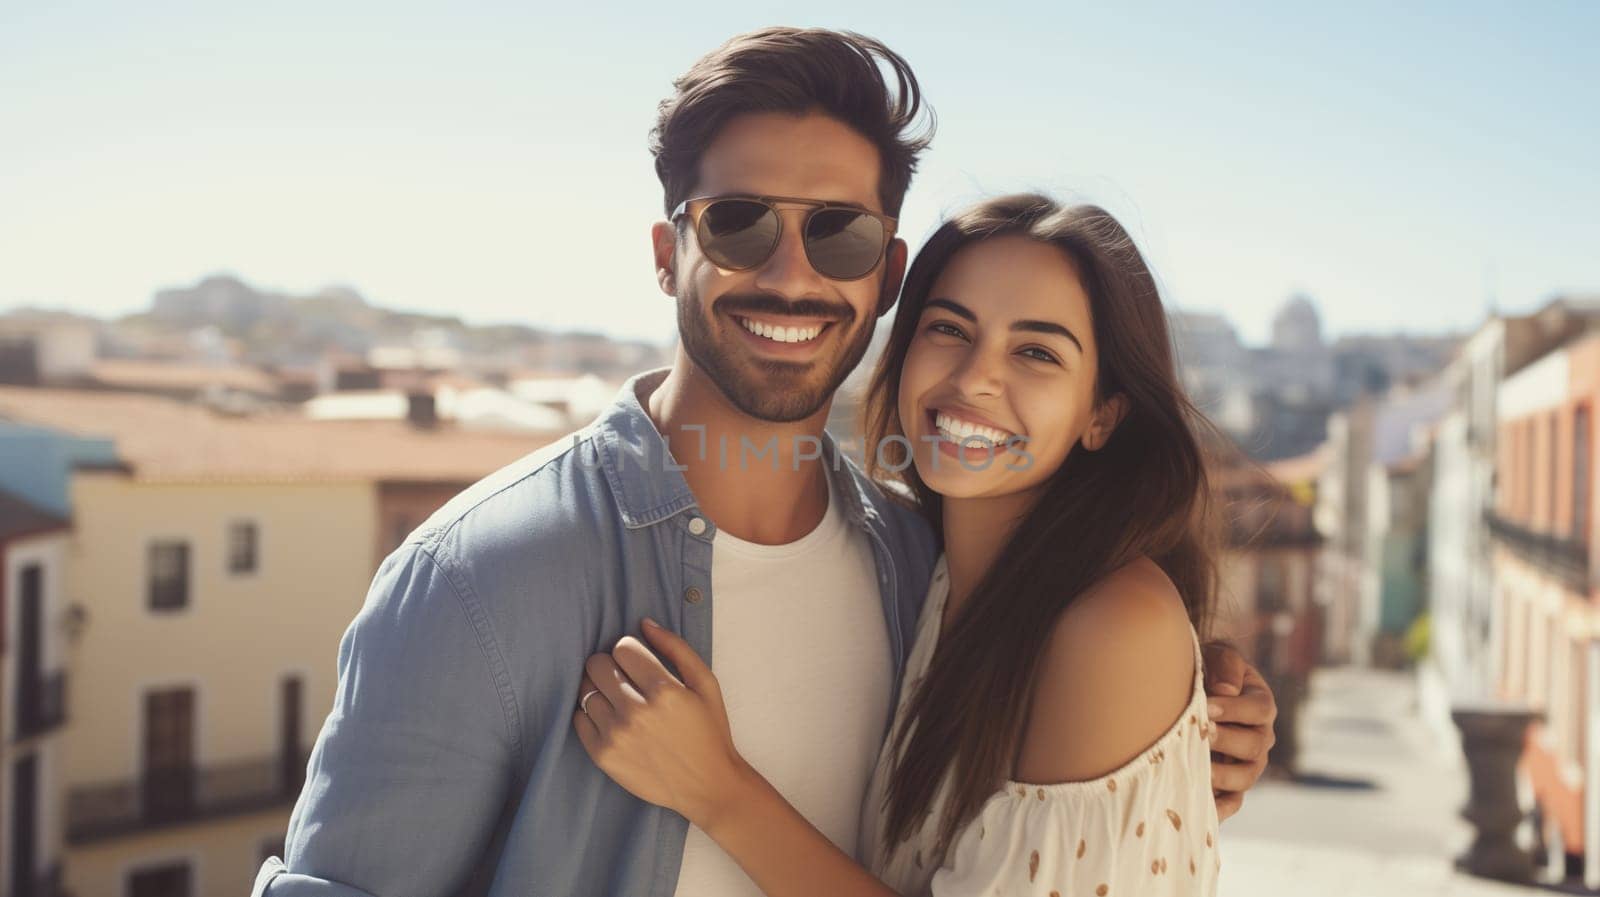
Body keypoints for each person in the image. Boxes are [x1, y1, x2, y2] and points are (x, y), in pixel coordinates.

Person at [253, 28, 1275, 897]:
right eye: (738, 223)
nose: (790, 275)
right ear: (667, 252)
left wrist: (1189, 725)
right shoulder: (482, 577)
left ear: (886, 276)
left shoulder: (917, 568)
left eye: (837, 234)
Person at [576, 193, 1230, 897]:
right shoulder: (927, 571)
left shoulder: (1112, 624)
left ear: (1102, 413)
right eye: (950, 328)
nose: (976, 376)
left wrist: (716, 790)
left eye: (1036, 351)